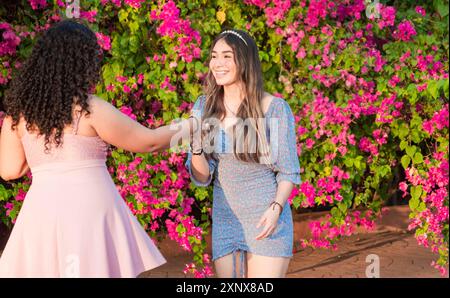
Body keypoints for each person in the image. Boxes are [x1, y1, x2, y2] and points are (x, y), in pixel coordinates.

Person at [0, 20, 192, 277]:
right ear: (82, 63)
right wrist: (195, 125)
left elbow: (9, 170)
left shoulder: (18, 116)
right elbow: (150, 141)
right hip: (89, 210)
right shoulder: (89, 109)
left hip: (43, 212)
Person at [186, 29, 301, 278]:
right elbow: (203, 177)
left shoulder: (274, 108)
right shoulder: (203, 107)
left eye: (227, 56)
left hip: (266, 218)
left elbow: (288, 171)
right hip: (226, 221)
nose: (218, 63)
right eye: (215, 56)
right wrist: (196, 145)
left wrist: (276, 208)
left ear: (244, 60)